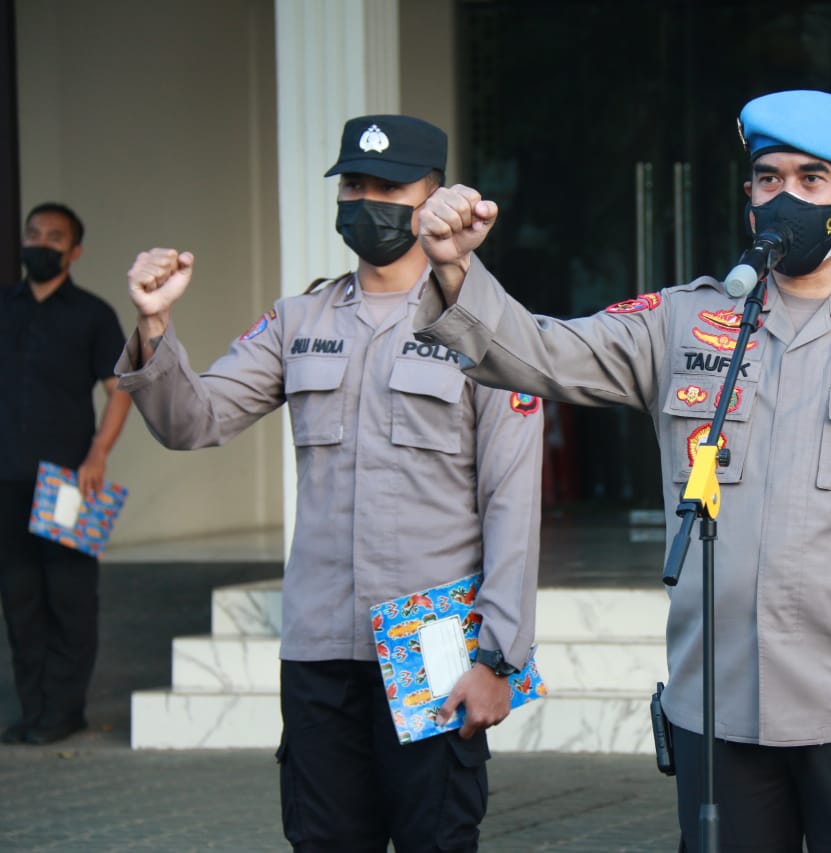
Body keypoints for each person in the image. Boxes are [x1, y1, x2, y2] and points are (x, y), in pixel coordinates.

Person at [413, 90, 831, 852]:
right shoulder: (683, 322)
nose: (783, 195)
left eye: (812, 178)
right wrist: (458, 270)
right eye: (767, 176)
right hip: (721, 710)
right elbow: (540, 352)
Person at [116, 115, 544, 852]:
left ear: (434, 197)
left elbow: (512, 502)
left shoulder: (486, 329)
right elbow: (195, 419)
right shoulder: (298, 319)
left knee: (436, 839)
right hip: (319, 647)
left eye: (389, 187)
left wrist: (499, 657)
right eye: (355, 185)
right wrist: (154, 326)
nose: (368, 200)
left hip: (432, 647)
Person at [0, 202, 133, 746]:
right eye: (34, 233)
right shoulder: (4, 307)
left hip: (72, 481)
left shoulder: (94, 315)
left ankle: (66, 710)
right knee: (20, 600)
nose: (41, 243)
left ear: (74, 252)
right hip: (6, 477)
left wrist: (98, 453)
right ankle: (33, 711)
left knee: (71, 599)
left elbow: (120, 388)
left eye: (54, 237)